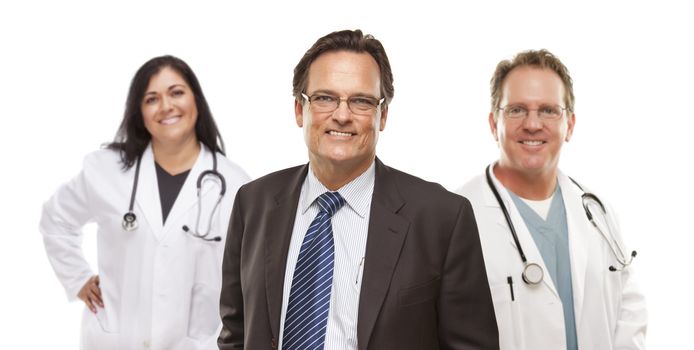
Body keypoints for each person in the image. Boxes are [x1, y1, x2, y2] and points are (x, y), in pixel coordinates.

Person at [217, 29, 498, 350]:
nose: (342, 115)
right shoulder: (254, 203)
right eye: (324, 98)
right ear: (299, 110)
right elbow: (235, 333)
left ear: (383, 116)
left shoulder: (442, 218)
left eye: (361, 101)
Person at [40, 55, 250, 350]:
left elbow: (247, 281)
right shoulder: (106, 170)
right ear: (139, 112)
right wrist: (77, 279)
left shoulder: (236, 185)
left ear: (196, 101)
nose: (166, 106)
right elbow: (56, 218)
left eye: (176, 92)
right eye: (152, 99)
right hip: (116, 340)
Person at [457, 49, 647, 349]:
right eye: (517, 109)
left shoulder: (598, 211)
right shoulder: (457, 216)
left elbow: (630, 309)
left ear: (569, 125)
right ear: (494, 124)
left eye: (548, 110)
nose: (533, 124)